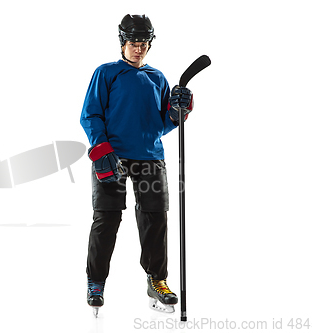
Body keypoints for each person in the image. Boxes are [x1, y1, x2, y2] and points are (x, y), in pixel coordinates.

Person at [80, 14, 194, 316]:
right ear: (122, 42)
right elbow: (90, 115)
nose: (139, 48)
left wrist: (179, 111)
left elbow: (163, 123)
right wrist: (101, 149)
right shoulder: (106, 73)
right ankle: (96, 282)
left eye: (144, 43)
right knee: (107, 218)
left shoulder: (158, 78)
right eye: (133, 42)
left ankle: (157, 280)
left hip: (150, 156)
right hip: (112, 155)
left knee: (155, 219)